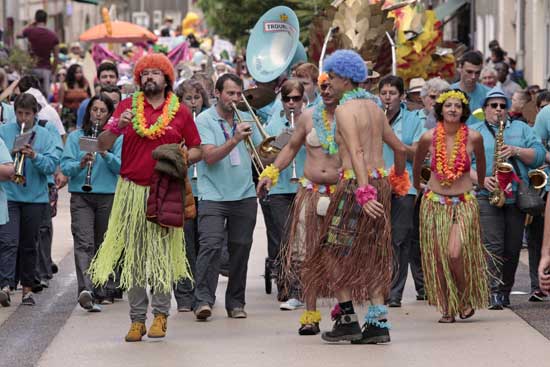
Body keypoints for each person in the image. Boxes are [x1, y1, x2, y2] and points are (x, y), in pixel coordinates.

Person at [88, 53, 202, 342]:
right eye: (146, 73)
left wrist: (182, 157)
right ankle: (137, 319)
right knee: (136, 259)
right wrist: (117, 127)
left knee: (162, 257)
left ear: (166, 79)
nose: (150, 77)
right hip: (131, 191)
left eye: (156, 73)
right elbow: (100, 143)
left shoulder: (180, 112)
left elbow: (199, 149)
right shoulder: (127, 106)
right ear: (139, 78)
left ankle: (161, 316)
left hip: (165, 191)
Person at [302, 50, 407, 344]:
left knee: (331, 250)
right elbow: (399, 148)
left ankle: (347, 319)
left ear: (346, 78)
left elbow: (357, 153)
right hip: (381, 182)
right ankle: (378, 323)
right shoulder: (375, 108)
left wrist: (363, 192)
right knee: (372, 253)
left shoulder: (346, 111)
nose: (328, 82)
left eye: (332, 77)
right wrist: (398, 179)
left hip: (355, 186)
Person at [257, 73, 340, 335]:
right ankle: (310, 314)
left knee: (340, 253)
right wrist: (270, 174)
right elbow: (289, 149)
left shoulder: (349, 117)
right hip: (310, 191)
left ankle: (344, 310)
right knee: (307, 252)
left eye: (330, 86)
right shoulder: (308, 118)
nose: (326, 91)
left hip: (340, 194)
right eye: (323, 87)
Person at [413, 89, 489, 322]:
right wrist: (419, 186)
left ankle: (464, 297)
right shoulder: (428, 137)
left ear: (464, 110)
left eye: (457, 105)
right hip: (435, 203)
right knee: (438, 258)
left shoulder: (474, 137)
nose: (453, 109)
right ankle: (447, 306)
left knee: (454, 253)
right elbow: (417, 166)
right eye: (448, 105)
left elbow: (483, 167)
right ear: (441, 110)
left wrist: (480, 186)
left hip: (464, 202)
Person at [192, 73, 262, 321]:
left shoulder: (245, 118)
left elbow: (263, 153)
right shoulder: (205, 119)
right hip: (213, 195)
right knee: (210, 246)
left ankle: (236, 302)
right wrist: (234, 139)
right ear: (218, 94)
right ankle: (202, 300)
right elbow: (208, 157)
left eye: (238, 94)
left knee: (241, 248)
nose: (235, 98)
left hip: (244, 193)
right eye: (230, 93)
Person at [470, 86, 546, 309]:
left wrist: (515, 151)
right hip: (487, 195)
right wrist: (481, 179)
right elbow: (463, 165)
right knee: (492, 245)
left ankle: (505, 291)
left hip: (515, 196)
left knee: (512, 248)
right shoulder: (475, 131)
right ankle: (492, 291)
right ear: (485, 109)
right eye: (493, 106)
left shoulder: (521, 128)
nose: (498, 110)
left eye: (503, 106)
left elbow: (539, 155)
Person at [61, 94, 121, 312]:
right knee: (84, 242)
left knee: (104, 244)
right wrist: (80, 163)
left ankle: (103, 288)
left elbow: (122, 168)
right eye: (94, 110)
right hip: (81, 195)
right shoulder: (76, 136)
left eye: (102, 111)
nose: (97, 114)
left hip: (107, 195)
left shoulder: (117, 138)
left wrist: (105, 153)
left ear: (109, 115)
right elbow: (65, 167)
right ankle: (86, 290)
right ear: (88, 113)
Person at [0, 94, 60, 307]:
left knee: (29, 244)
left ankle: (27, 288)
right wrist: (10, 154)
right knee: (8, 241)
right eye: (19, 113)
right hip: (9, 195)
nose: (22, 118)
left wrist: (35, 156)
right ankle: (5, 286)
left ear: (35, 113)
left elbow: (52, 166)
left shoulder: (44, 134)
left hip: (35, 197)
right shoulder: (5, 131)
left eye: (27, 114)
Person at [378, 75, 425, 308]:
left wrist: (393, 141)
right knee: (377, 237)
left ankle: (394, 292)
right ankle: (377, 286)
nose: (388, 97)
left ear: (402, 96)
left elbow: (417, 153)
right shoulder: (375, 116)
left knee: (400, 237)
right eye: (384, 93)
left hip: (404, 183)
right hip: (377, 181)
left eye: (392, 93)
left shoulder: (414, 119)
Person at [261, 79, 306, 310]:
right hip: (280, 189)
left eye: (296, 99)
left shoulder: (310, 120)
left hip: (303, 186)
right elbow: (264, 158)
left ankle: (302, 286)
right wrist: (282, 143)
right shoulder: (273, 123)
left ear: (302, 100)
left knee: (303, 240)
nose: (291, 103)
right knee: (285, 238)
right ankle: (288, 287)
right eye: (287, 99)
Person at [173, 79, 211, 312]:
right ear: (181, 101)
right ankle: (184, 295)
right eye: (189, 99)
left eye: (197, 98)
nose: (194, 103)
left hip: (205, 189)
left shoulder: (206, 121)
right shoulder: (175, 121)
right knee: (184, 244)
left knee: (205, 243)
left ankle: (202, 293)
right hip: (182, 189)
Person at [18, 10, 59, 97]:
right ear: (46, 20)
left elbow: (18, 35)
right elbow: (56, 57)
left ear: (35, 20)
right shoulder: (53, 36)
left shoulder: (30, 31)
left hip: (32, 67)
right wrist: (53, 72)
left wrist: (30, 25)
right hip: (46, 69)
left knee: (29, 95)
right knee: (45, 97)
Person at [450, 51, 489, 125]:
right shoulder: (448, 92)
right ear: (460, 68)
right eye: (469, 72)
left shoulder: (488, 94)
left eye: (477, 73)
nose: (473, 77)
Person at [76, 62, 119, 129]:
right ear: (98, 80)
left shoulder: (124, 103)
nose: (108, 80)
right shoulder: (86, 104)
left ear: (117, 79)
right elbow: (80, 130)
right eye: (104, 77)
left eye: (111, 76)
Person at [59, 64, 91, 131]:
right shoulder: (64, 86)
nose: (79, 74)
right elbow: (60, 103)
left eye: (80, 72)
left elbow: (90, 100)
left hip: (83, 114)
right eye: (77, 72)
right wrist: (59, 116)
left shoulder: (86, 85)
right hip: (68, 115)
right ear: (71, 73)